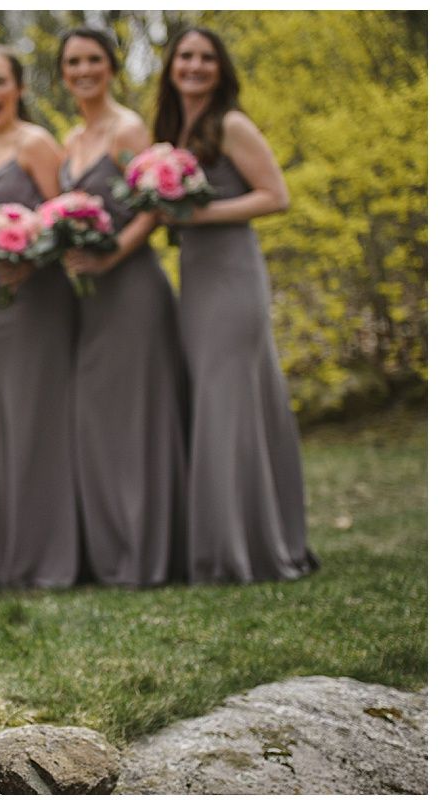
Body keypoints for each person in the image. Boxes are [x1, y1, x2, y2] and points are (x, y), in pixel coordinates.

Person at [153, 27, 317, 582]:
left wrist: (201, 214)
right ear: (172, 68)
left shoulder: (231, 124)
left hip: (233, 275)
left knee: (228, 403)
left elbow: (277, 195)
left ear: (220, 69)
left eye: (205, 58)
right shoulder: (178, 131)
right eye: (185, 58)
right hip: (198, 276)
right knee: (221, 401)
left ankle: (235, 553)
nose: (194, 66)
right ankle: (245, 537)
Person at [57, 28, 188, 586]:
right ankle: (111, 551)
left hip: (131, 287)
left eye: (92, 60)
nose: (83, 71)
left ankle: (148, 555)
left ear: (110, 67)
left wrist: (110, 260)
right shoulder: (70, 138)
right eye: (72, 63)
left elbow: (155, 207)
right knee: (98, 418)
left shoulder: (128, 129)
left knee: (140, 417)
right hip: (89, 300)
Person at [0, 47, 73, 589]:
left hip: (34, 301)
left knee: (36, 421)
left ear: (19, 88)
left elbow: (63, 221)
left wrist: (28, 259)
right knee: (0, 422)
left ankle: (48, 558)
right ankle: (11, 557)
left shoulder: (34, 143)